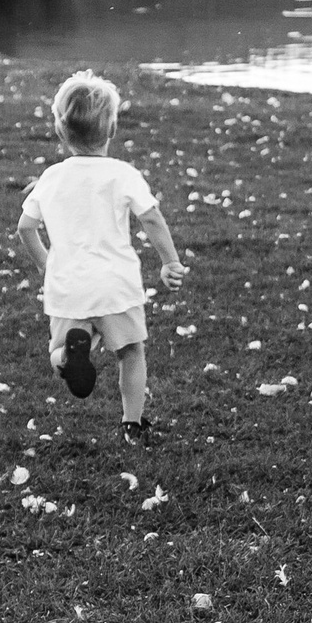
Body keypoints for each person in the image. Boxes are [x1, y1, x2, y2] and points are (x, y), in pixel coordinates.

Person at [17, 70, 189, 445]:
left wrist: (48, 265)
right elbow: (151, 218)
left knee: (61, 351)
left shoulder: (50, 178)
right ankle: (132, 424)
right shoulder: (122, 174)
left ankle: (67, 358)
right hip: (115, 285)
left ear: (61, 132)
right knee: (130, 351)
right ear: (111, 129)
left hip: (68, 287)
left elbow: (25, 229)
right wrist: (169, 261)